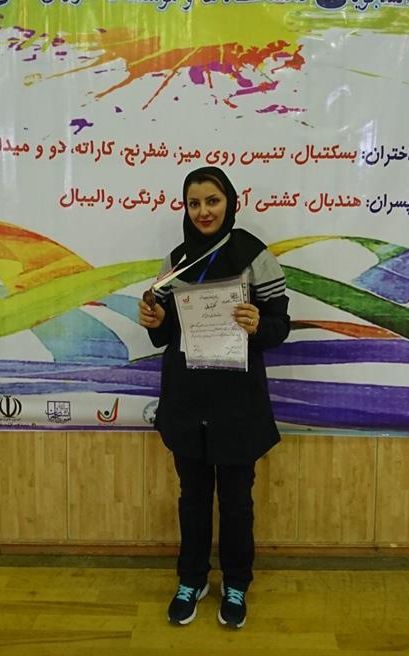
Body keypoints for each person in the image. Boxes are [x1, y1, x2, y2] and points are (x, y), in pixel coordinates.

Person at [138, 166, 290, 629]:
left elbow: (280, 326)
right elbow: (167, 332)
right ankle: (192, 579)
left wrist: (258, 324)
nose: (203, 211)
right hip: (188, 400)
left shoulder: (254, 256)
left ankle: (236, 583)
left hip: (237, 402)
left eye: (212, 201)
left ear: (230, 203)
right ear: (185, 208)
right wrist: (155, 320)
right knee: (193, 498)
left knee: (237, 501)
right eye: (194, 203)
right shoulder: (176, 261)